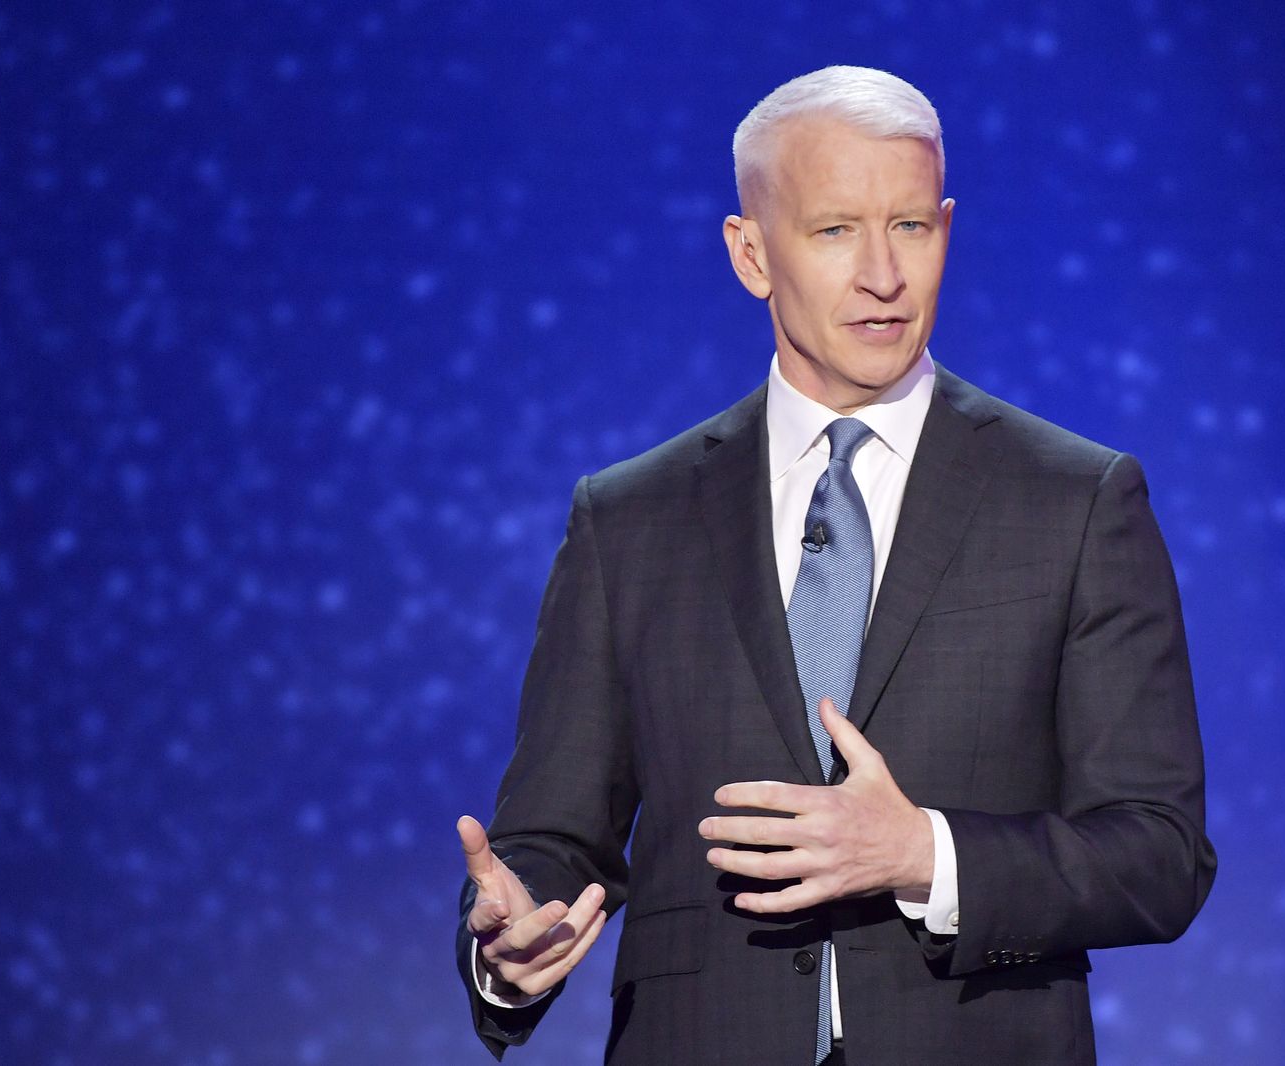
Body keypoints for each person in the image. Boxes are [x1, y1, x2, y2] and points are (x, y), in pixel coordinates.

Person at [454, 65, 1216, 1065]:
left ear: (946, 228)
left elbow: (1157, 854)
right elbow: (555, 833)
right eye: (832, 231)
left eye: (909, 226)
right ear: (750, 254)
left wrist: (922, 854)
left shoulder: (1075, 501)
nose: (882, 275)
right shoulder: (629, 520)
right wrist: (510, 943)